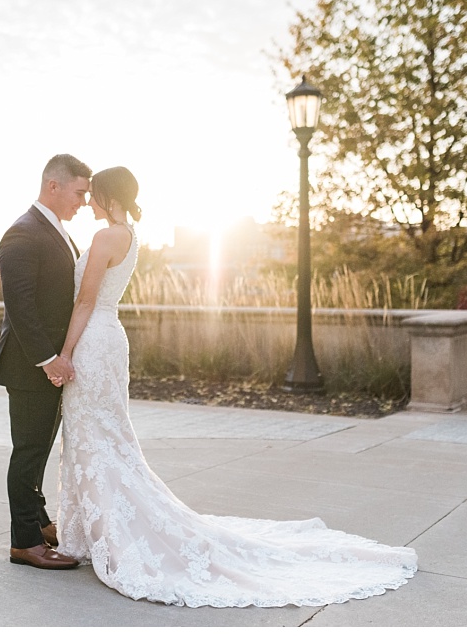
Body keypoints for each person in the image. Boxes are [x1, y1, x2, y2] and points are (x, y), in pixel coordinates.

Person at [55, 166, 418, 607]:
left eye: (93, 194)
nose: (88, 201)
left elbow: (86, 300)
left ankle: (103, 535)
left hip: (93, 341)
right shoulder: (128, 234)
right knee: (106, 438)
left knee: (96, 438)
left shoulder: (105, 237)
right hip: (111, 339)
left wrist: (65, 353)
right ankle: (95, 531)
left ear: (109, 196)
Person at [0, 154, 91, 570]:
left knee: (40, 450)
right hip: (30, 366)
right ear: (54, 186)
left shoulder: (59, 233)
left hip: (50, 366)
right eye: (79, 192)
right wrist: (49, 360)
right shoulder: (21, 234)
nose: (84, 202)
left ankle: (39, 520)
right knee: (28, 453)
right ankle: (24, 542)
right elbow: (21, 308)